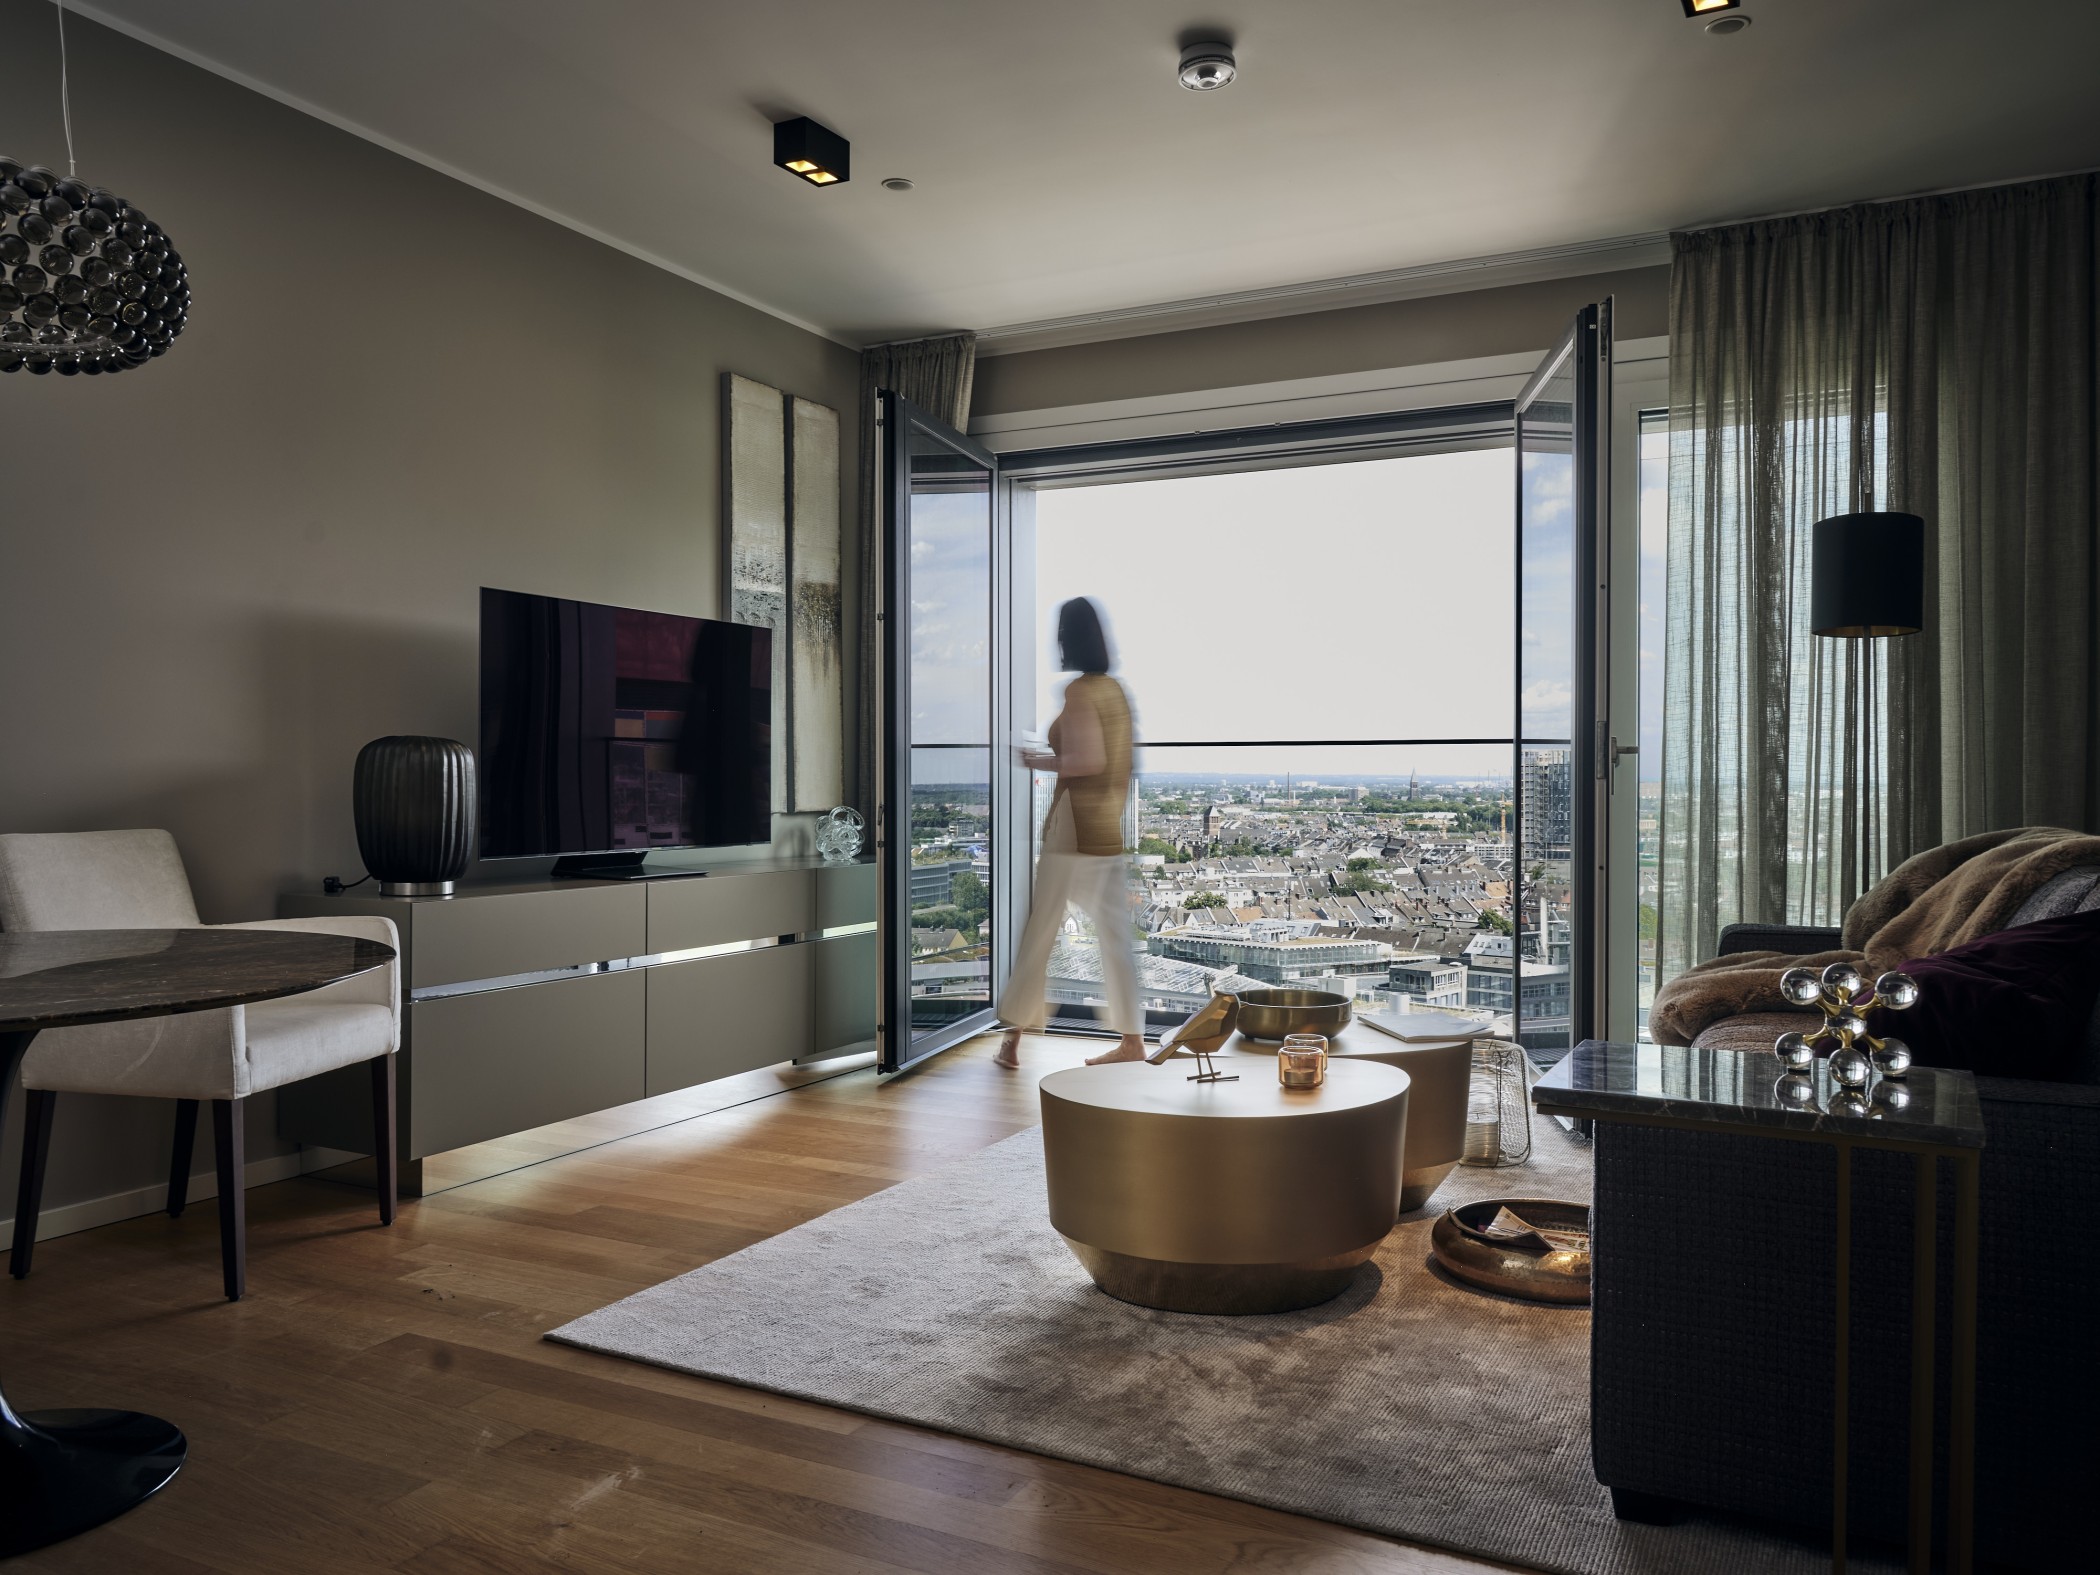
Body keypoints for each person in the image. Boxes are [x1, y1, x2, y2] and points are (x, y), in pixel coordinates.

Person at [994, 597, 1144, 1069]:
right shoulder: (1116, 693)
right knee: (1115, 939)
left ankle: (1013, 1039)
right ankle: (1133, 1040)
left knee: (1040, 932)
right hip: (1106, 830)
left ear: (1068, 639)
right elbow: (1116, 763)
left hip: (1072, 829)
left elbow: (1087, 761)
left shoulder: (1080, 693)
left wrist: (1038, 759)